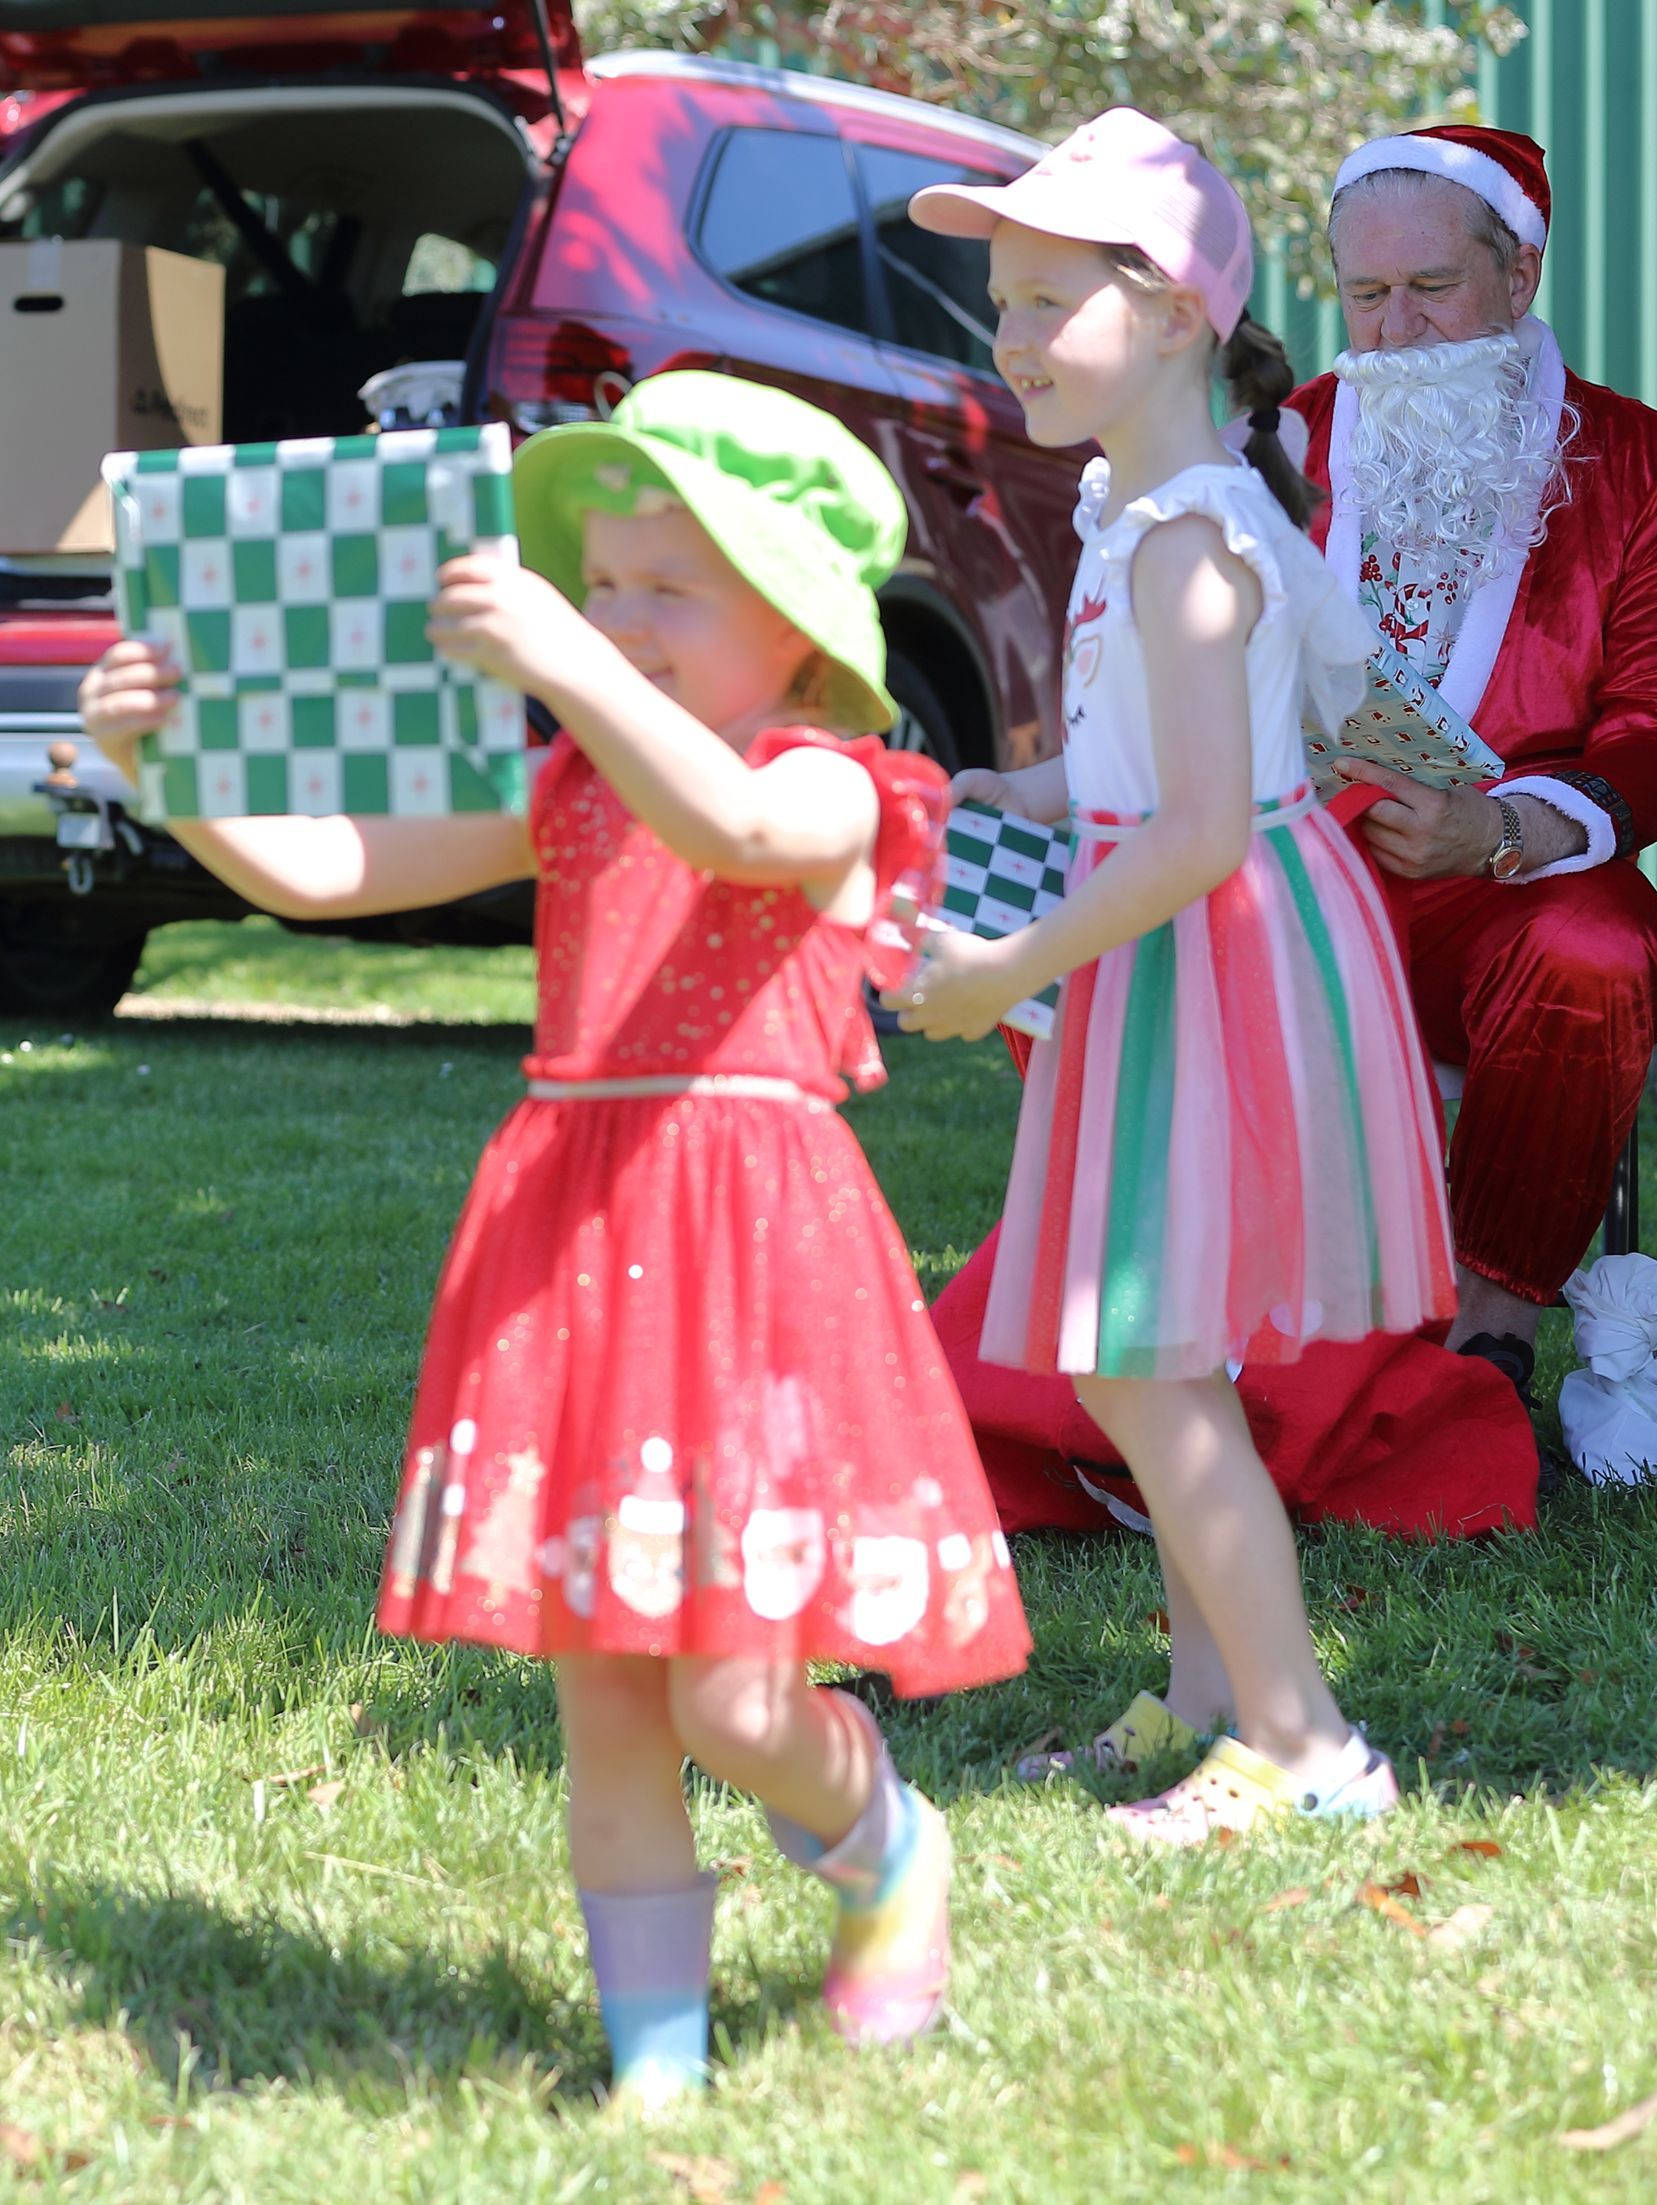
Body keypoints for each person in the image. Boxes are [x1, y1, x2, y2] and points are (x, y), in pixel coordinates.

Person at [76, 373, 1030, 2102]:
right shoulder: (576, 780)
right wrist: (165, 770)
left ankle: (885, 1841)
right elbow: (326, 871)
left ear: (798, 625)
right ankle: (653, 2072)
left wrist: (567, 665)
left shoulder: (837, 784)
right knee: (606, 1698)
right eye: (601, 585)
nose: (616, 618)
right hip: (583, 1241)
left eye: (670, 588)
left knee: (734, 1703)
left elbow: (733, 830)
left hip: (745, 1257)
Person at [894, 110, 1454, 1844]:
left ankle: (1305, 1746)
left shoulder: (1188, 538)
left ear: (1171, 315)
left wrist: (1004, 965)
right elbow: (1158, 762)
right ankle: (1208, 1702)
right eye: (1001, 301)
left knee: (1145, 1362)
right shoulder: (1151, 511)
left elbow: (1204, 827)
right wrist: (1027, 792)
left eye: (1045, 300)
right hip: (1177, 945)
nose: (1008, 337)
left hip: (1201, 954)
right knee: (1153, 1350)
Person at [1284, 125, 1657, 1409]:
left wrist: (1506, 830)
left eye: (1433, 286)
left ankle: (1488, 1335)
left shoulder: (1646, 467)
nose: (1397, 329)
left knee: (1597, 950)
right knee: (1104, 922)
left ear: (1519, 274)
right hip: (1291, 868)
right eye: (1367, 293)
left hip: (1502, 888)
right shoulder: (1279, 442)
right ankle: (1187, 1310)